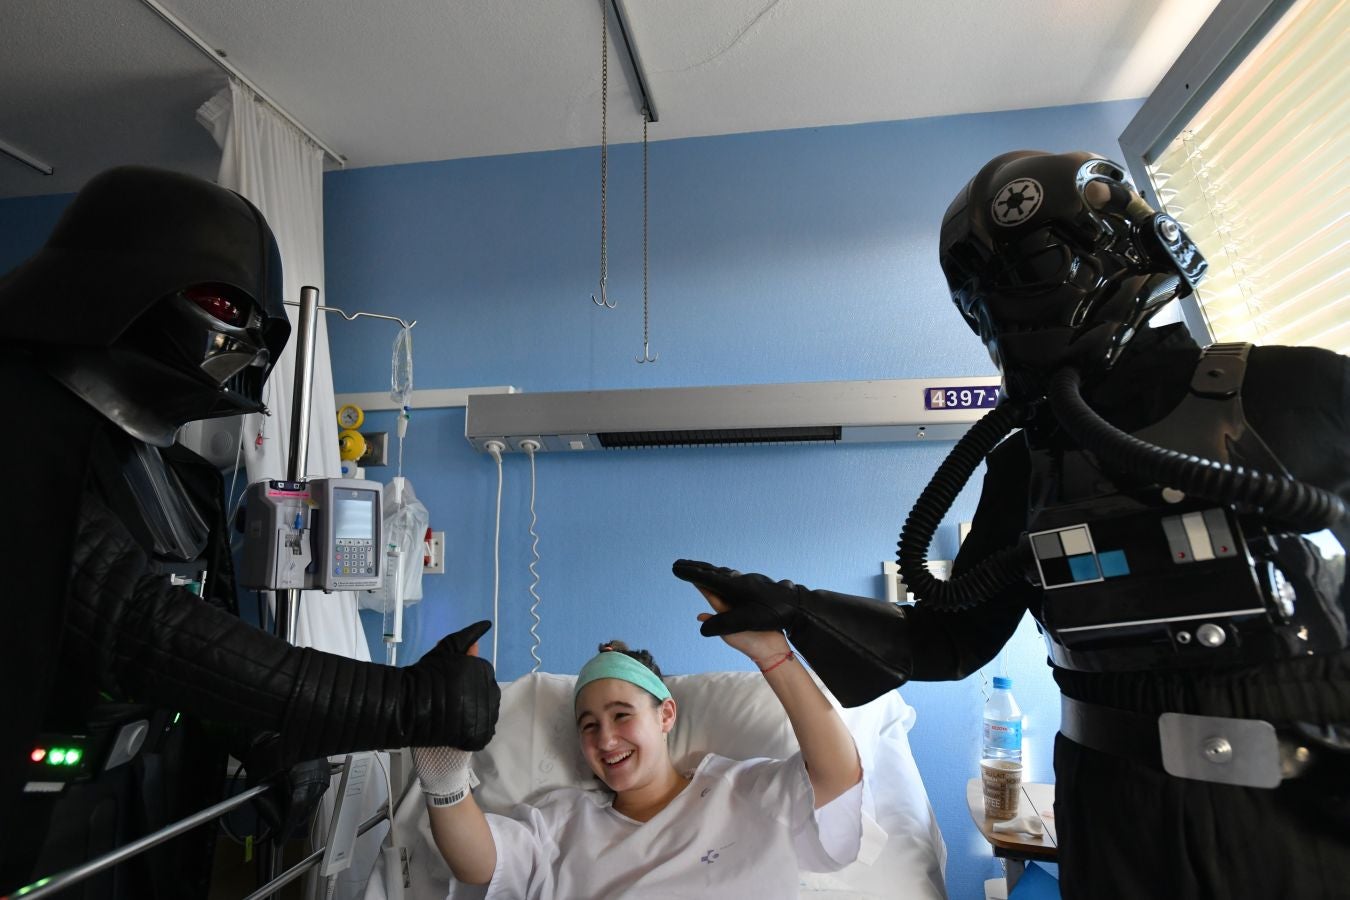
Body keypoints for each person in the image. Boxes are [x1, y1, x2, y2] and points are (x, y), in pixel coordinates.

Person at [674, 150, 1349, 899]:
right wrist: (795, 605)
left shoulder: (1299, 392)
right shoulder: (1026, 465)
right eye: (985, 288)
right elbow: (950, 636)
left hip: (1305, 809)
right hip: (1113, 824)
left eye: (1029, 268)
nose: (1009, 302)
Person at [0, 166, 499, 897]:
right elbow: (135, 620)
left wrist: (262, 732)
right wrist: (403, 704)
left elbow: (201, 616)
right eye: (227, 307)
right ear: (119, 282)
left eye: (263, 330)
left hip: (140, 796)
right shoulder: (19, 425)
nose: (251, 348)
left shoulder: (168, 464)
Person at [412, 591, 869, 898]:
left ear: (666, 714)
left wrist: (773, 655)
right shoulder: (563, 822)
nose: (605, 739)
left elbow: (836, 776)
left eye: (622, 715)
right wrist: (444, 774)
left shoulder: (743, 789)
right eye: (588, 725)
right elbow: (482, 866)